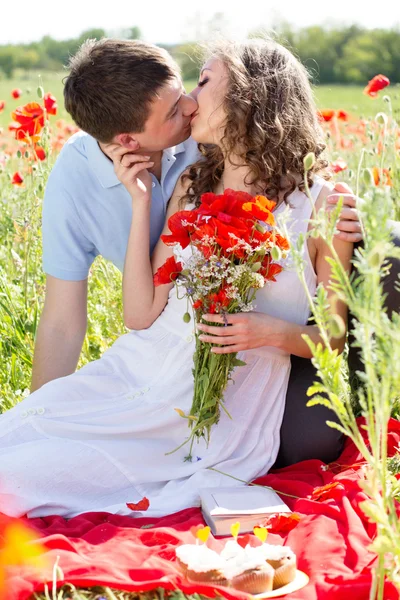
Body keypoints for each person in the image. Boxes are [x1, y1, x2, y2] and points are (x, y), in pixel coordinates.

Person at [0, 38, 354, 519]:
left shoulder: (323, 207)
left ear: (249, 97)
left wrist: (269, 333)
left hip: (208, 408)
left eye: (204, 81)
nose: (190, 100)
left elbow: (333, 338)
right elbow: (139, 315)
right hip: (137, 369)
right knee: (16, 433)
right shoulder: (191, 184)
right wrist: (141, 200)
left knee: (19, 479)